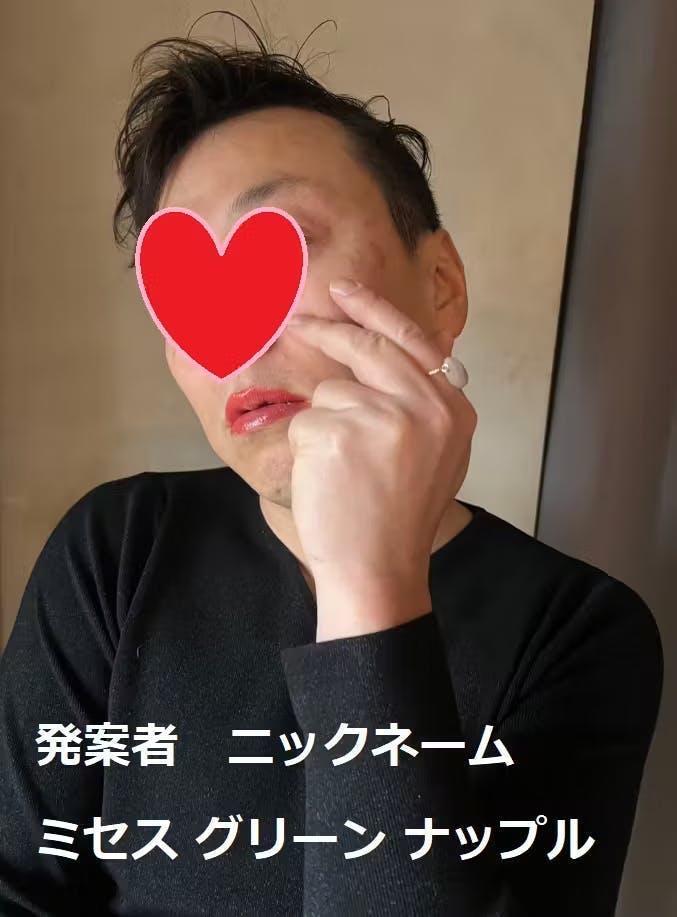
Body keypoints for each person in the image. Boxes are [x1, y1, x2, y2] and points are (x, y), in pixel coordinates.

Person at [0, 25, 663, 917]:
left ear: (441, 284)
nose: (232, 336)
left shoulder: (577, 631)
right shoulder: (116, 551)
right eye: (185, 288)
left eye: (285, 244)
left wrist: (368, 588)